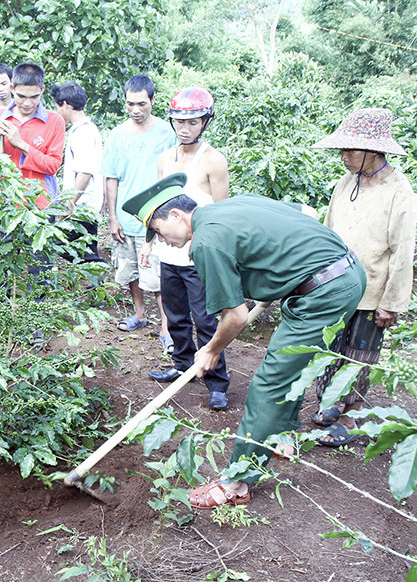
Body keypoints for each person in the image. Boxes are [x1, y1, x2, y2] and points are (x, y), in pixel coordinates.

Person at [128, 174, 365, 508]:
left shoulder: (206, 242)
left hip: (324, 292)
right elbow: (308, 213)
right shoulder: (235, 204)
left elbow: (236, 317)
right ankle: (283, 436)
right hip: (345, 272)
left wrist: (210, 349)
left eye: (157, 229)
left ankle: (237, 482)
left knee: (269, 383)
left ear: (177, 216)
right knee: (292, 365)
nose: (160, 240)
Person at [310, 108, 416, 446]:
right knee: (331, 348)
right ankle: (330, 403)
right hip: (337, 286)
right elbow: (327, 232)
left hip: (372, 290)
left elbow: (403, 252)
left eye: (350, 149)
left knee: (360, 354)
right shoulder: (345, 183)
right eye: (342, 149)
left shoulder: (399, 191)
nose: (343, 156)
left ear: (374, 150)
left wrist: (391, 303)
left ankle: (350, 417)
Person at [145, 87, 231, 410]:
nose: (185, 128)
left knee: (207, 320)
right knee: (176, 316)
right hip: (169, 254)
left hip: (199, 257)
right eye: (179, 122)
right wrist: (148, 244)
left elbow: (222, 213)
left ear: (205, 121)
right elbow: (156, 209)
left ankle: (217, 382)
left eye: (192, 122)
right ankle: (182, 366)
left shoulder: (213, 161)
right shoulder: (165, 158)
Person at [101, 75, 178, 344]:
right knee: (131, 271)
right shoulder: (116, 135)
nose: (136, 110)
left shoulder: (166, 134)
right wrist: (112, 217)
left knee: (158, 276)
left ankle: (167, 329)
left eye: (141, 103)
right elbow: (110, 177)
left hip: (156, 219)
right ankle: (140, 314)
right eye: (130, 103)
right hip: (124, 217)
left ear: (153, 101)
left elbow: (172, 179)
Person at [0, 62, 65, 210]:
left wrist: (20, 144)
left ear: (42, 90)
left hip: (42, 207)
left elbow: (52, 166)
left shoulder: (55, 121)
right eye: (21, 96)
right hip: (7, 204)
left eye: (34, 97)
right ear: (12, 88)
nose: (27, 103)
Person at [49, 80, 106, 264]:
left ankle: (99, 274)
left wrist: (69, 204)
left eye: (57, 106)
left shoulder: (83, 133)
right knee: (82, 249)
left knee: (67, 246)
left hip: (83, 206)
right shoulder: (84, 129)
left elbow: (85, 173)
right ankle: (95, 282)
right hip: (84, 204)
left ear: (65, 105)